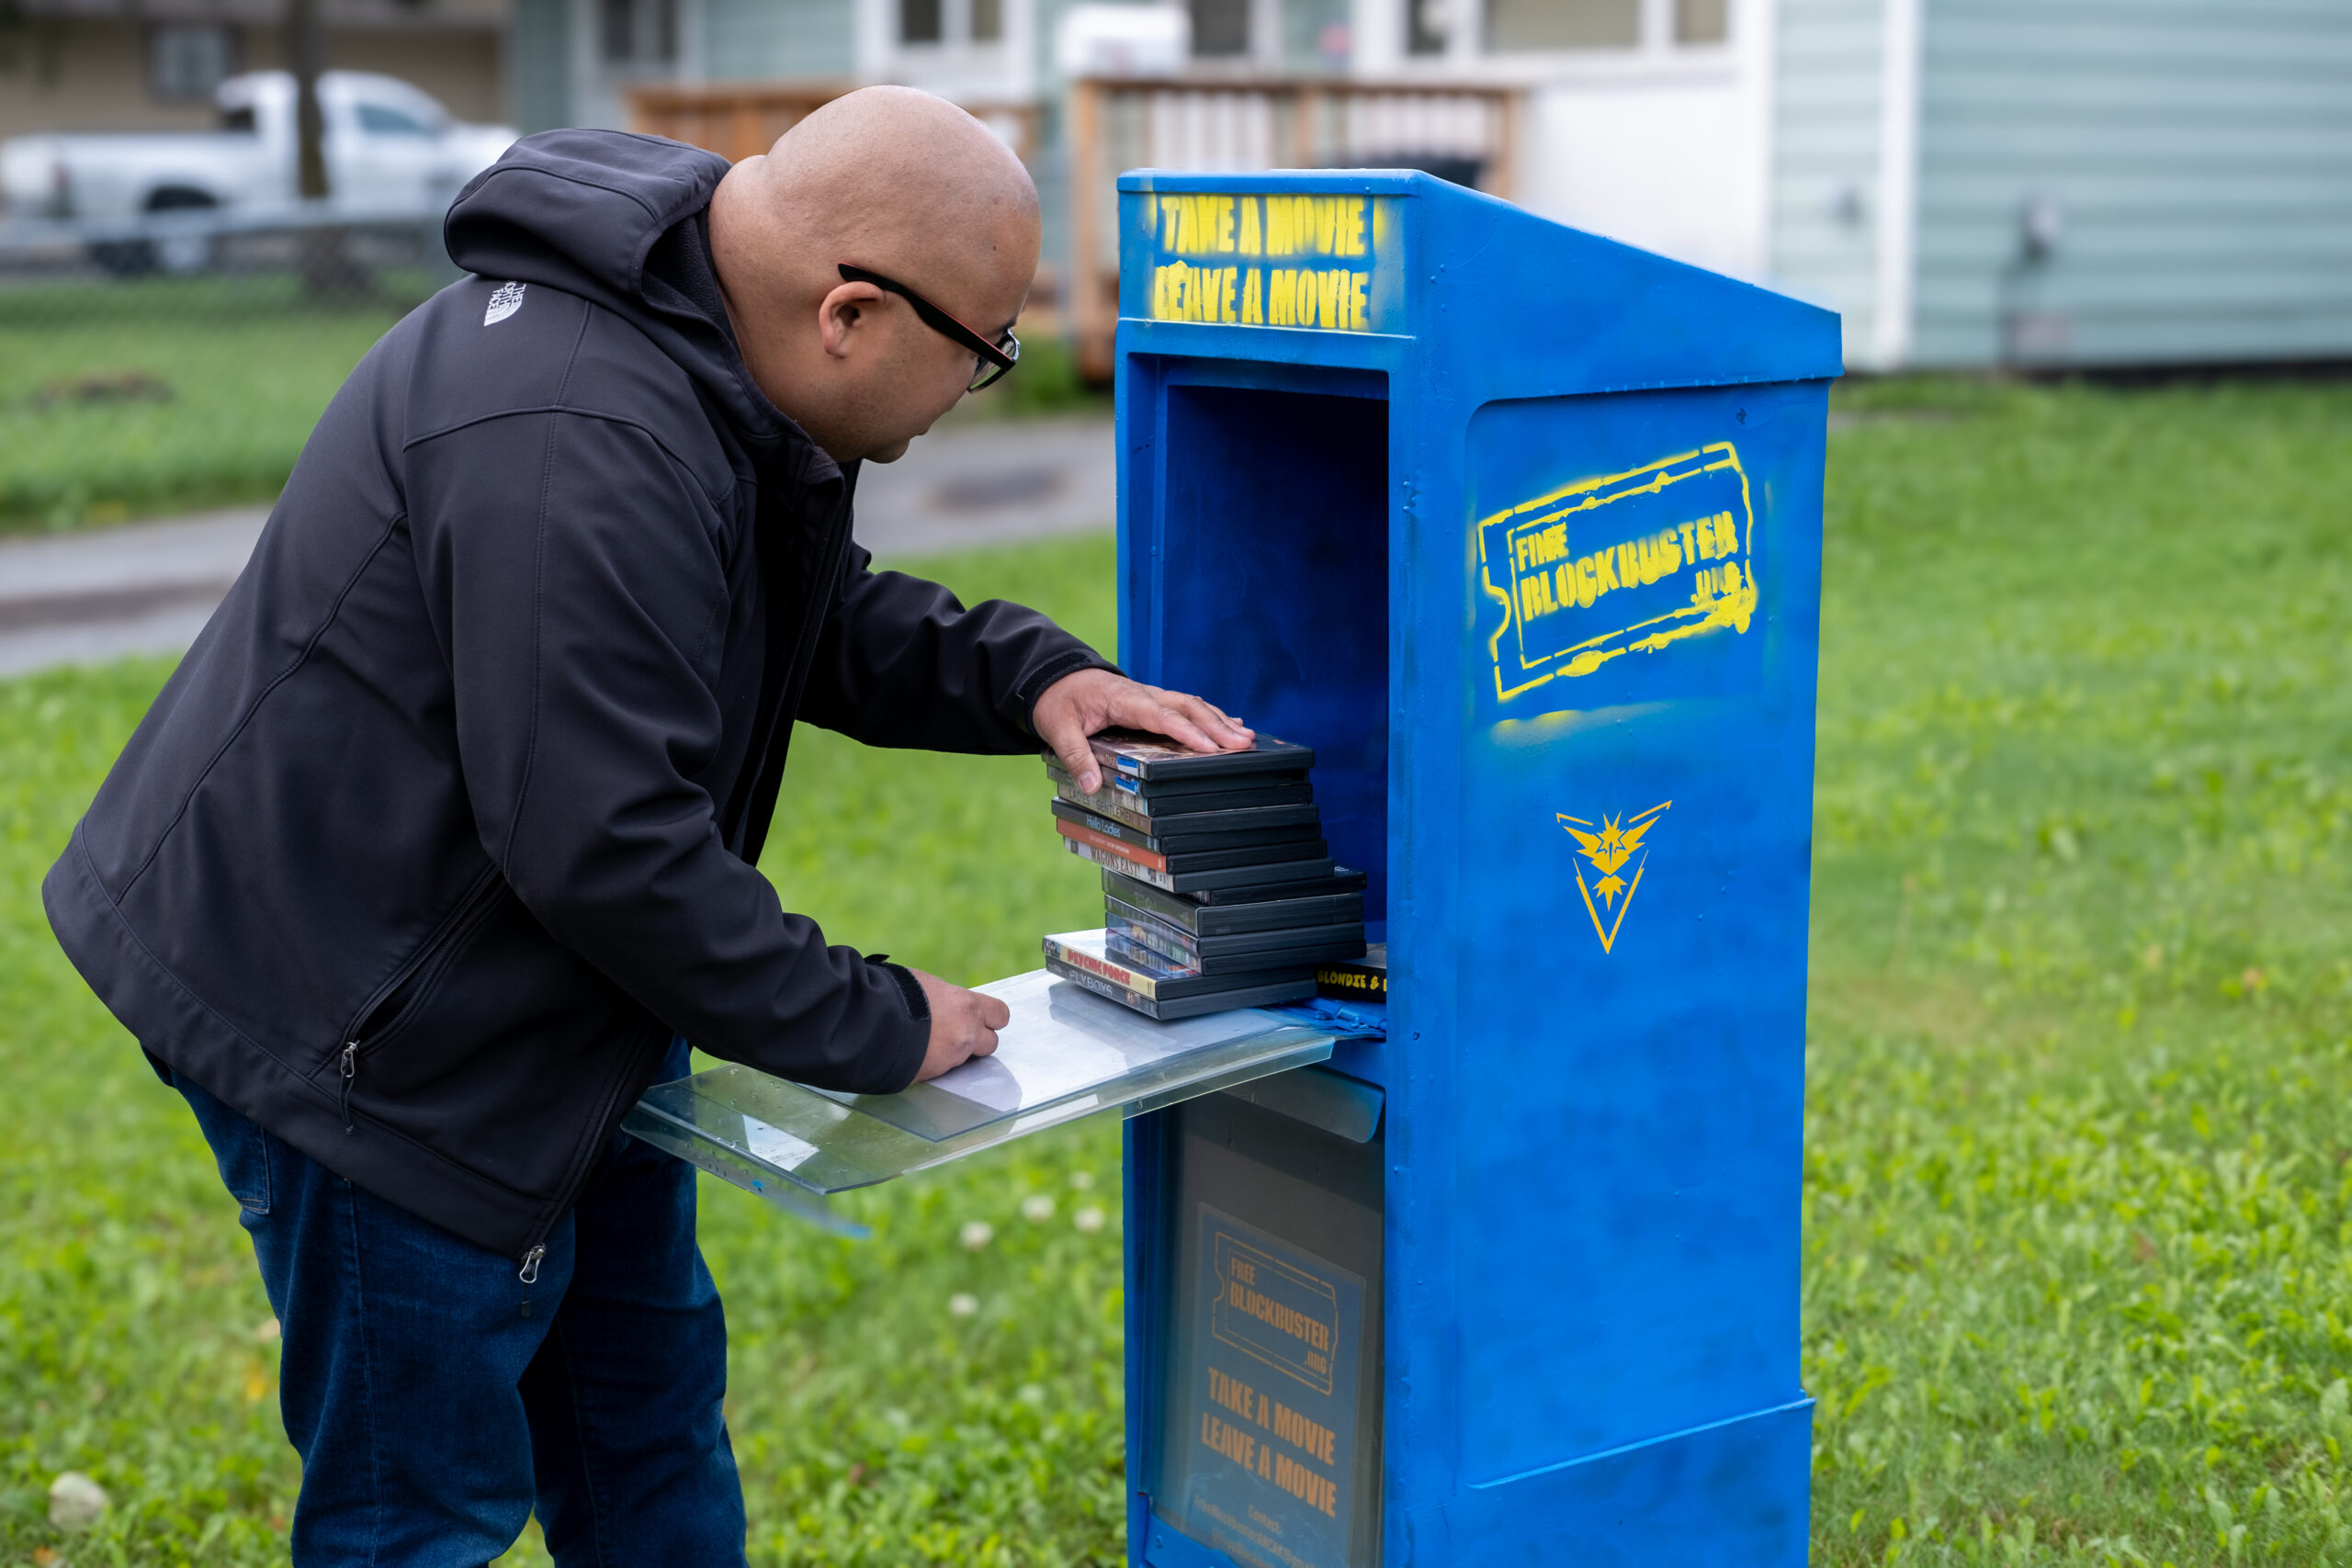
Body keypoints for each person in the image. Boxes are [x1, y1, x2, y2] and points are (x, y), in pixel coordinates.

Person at [44, 87, 1250, 1564]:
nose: (975, 388)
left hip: (552, 998)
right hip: (372, 1033)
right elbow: (600, 845)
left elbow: (779, 614)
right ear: (853, 313)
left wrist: (1035, 676)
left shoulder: (700, 334)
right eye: (984, 353)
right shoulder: (573, 431)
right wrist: (874, 1021)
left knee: (643, 1431)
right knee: (419, 1507)